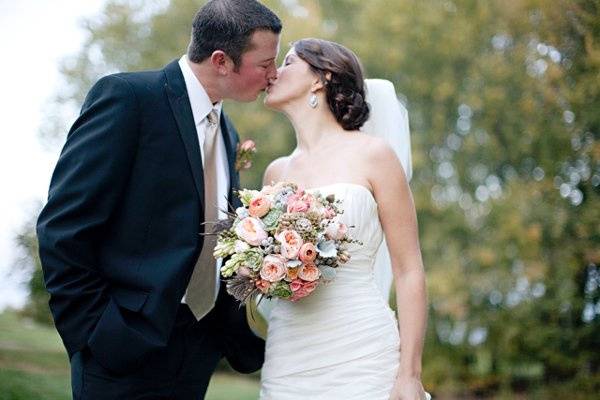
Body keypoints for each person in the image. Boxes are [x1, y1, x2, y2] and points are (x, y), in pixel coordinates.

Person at [36, 1, 280, 398]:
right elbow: (63, 226)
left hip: (197, 348)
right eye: (266, 63)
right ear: (221, 60)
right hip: (121, 345)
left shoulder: (228, 130)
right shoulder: (129, 98)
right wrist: (96, 333)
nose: (274, 75)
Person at [260, 38, 430, 400]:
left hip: (361, 353)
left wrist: (410, 375)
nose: (273, 72)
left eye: (287, 62)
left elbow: (409, 269)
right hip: (288, 356)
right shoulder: (275, 174)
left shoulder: (374, 156)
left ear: (321, 78)